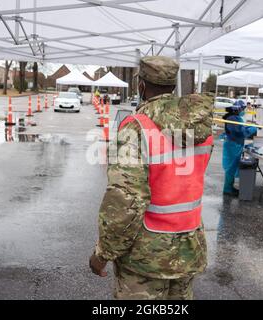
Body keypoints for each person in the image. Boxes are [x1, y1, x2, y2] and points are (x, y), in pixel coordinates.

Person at [89, 56, 214, 300]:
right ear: (173, 87)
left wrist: (102, 254)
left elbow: (125, 201)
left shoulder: (135, 128)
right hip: (188, 248)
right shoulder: (200, 127)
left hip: (146, 256)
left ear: (141, 86)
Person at [222, 101, 257, 196]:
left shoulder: (235, 118)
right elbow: (240, 132)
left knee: (232, 168)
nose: (244, 110)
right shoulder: (233, 118)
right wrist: (253, 129)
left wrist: (250, 126)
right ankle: (228, 189)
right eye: (243, 108)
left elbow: (241, 128)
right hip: (233, 145)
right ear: (238, 109)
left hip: (234, 144)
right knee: (231, 168)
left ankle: (229, 187)